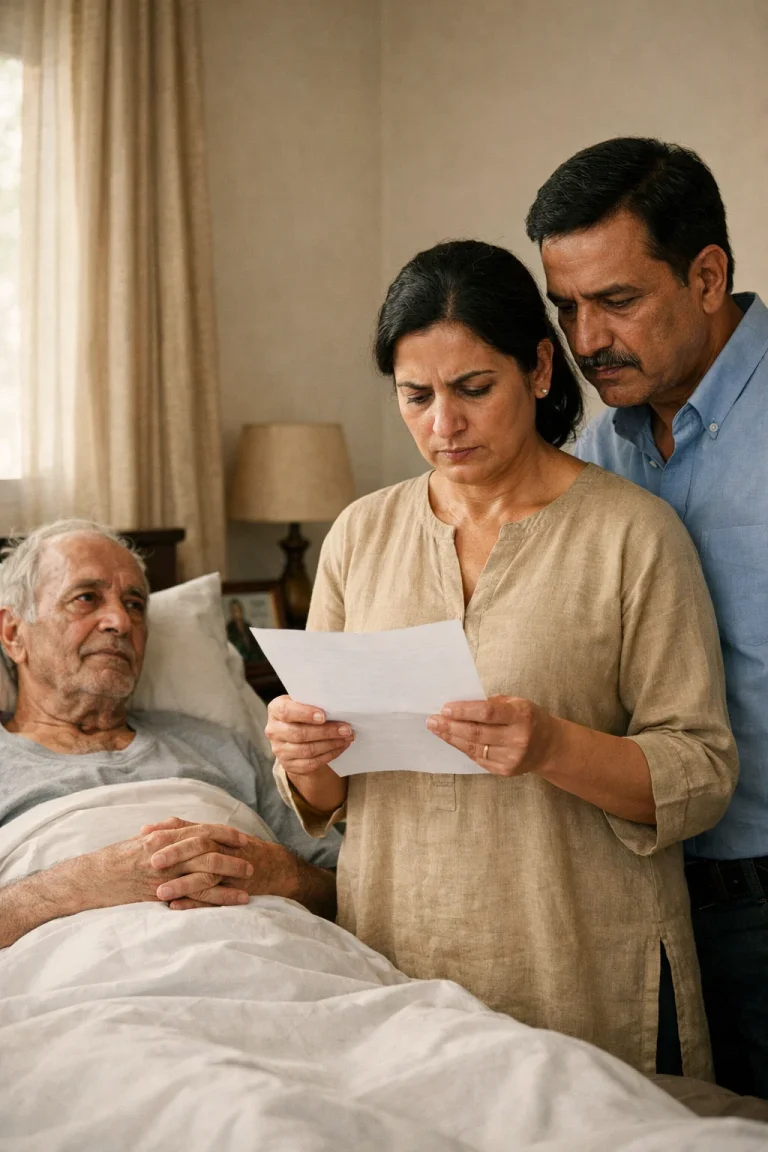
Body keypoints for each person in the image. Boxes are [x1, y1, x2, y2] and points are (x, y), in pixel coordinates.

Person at [264, 239, 738, 1080]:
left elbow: (699, 772)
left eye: (473, 389)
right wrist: (304, 761)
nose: (443, 425)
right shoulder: (358, 537)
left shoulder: (633, 535)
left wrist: (553, 747)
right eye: (416, 397)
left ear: (540, 371)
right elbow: (330, 801)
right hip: (398, 953)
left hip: (581, 966)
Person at [526, 137, 768, 1099]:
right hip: (650, 887)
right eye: (566, 307)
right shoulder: (601, 448)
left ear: (707, 275)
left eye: (617, 301)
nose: (585, 341)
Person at [0, 520, 340, 949]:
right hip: (82, 984)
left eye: (135, 604)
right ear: (13, 633)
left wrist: (280, 872)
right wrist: (86, 882)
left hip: (276, 960)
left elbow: (345, 893)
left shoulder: (221, 747)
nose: (120, 622)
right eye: (86, 598)